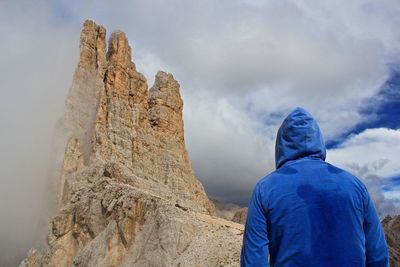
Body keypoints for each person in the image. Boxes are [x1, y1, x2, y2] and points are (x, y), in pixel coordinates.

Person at [240, 107, 389, 267]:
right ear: (319, 140)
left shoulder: (265, 189)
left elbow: (254, 259)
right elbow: (377, 254)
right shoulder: (356, 185)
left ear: (281, 144)